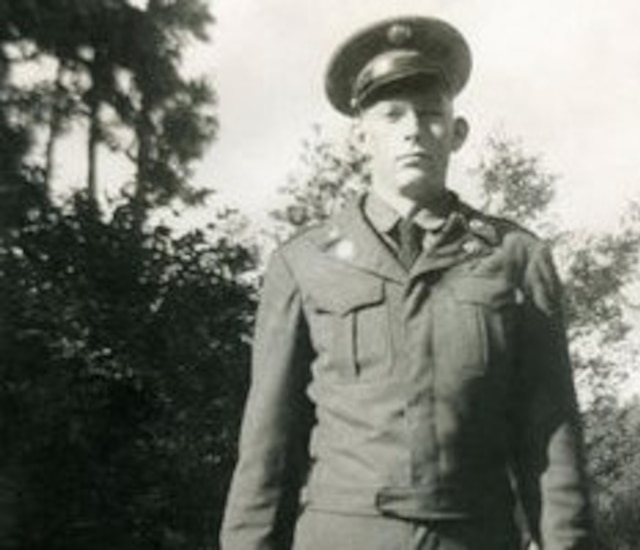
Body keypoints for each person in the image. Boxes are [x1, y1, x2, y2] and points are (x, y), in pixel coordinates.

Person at [220, 15, 595, 550]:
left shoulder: (514, 259)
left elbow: (551, 440)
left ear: (457, 132)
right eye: (392, 114)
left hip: (474, 536)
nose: (412, 129)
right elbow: (268, 449)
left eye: (430, 114)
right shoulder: (303, 263)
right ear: (360, 136)